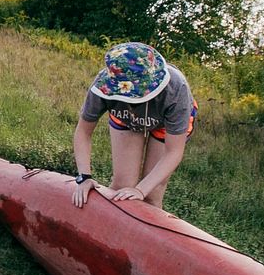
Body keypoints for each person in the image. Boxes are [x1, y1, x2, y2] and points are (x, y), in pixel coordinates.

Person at [70, 41, 195, 211]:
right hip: (126, 119)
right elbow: (84, 132)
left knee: (152, 194)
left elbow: (173, 152)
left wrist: (140, 190)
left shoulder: (176, 89)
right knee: (121, 186)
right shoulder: (103, 85)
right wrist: (84, 177)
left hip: (164, 124)